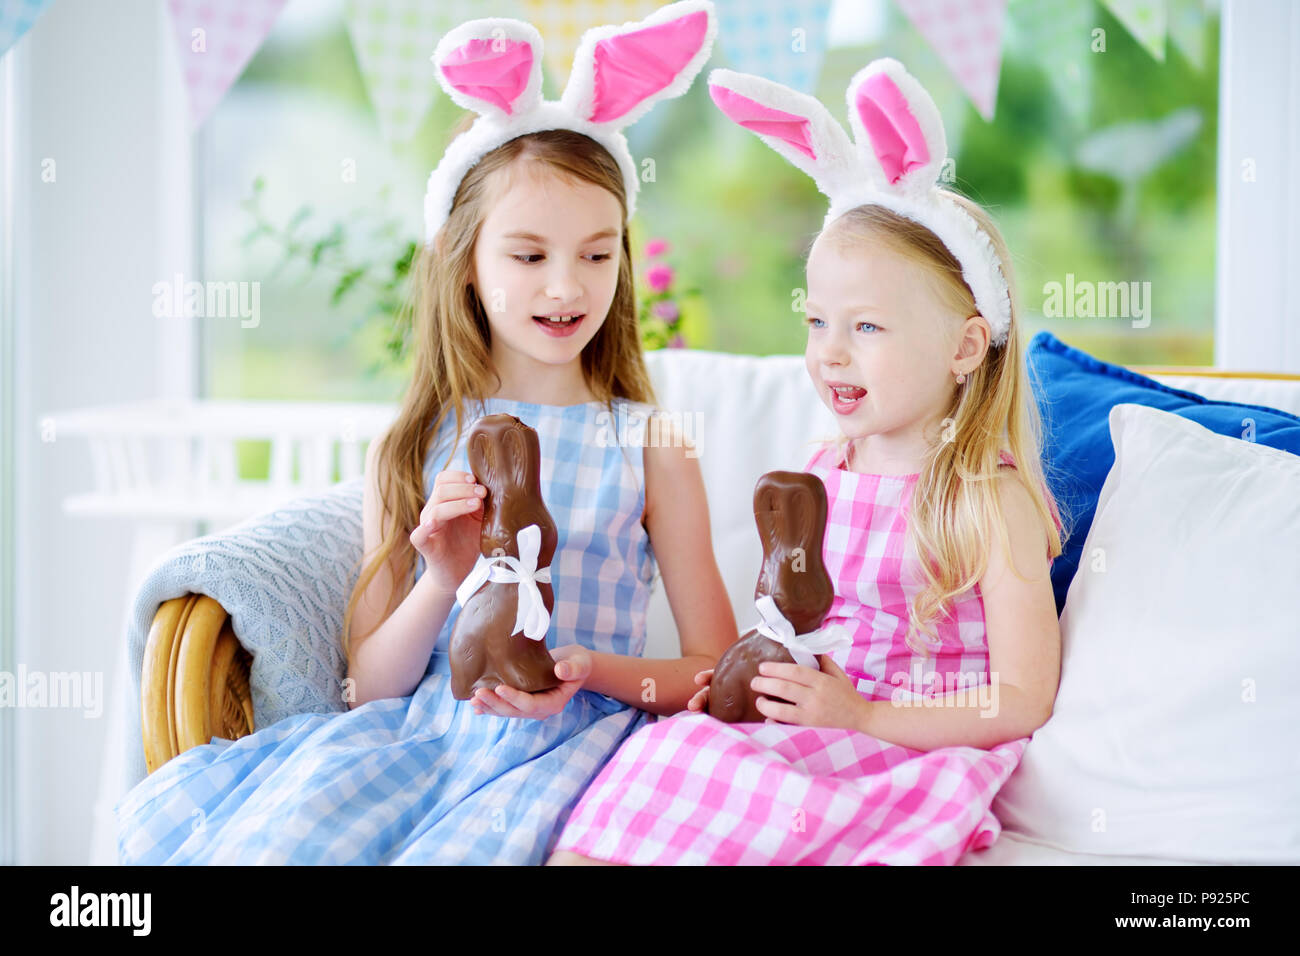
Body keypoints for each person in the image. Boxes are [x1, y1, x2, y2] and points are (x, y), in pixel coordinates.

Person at [115, 1, 731, 865]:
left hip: (585, 752)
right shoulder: (411, 445)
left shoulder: (651, 445)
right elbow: (367, 688)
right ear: (464, 260)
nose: (568, 284)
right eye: (528, 255)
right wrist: (439, 581)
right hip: (425, 739)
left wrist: (590, 670)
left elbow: (710, 670)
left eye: (597, 253)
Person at [549, 57, 1067, 866]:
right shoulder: (825, 469)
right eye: (817, 320)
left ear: (965, 345)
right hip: (813, 725)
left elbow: (1023, 697)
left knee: (733, 782)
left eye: (866, 328)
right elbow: (796, 619)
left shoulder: (984, 500)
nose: (830, 354)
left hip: (900, 748)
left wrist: (860, 716)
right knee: (665, 753)